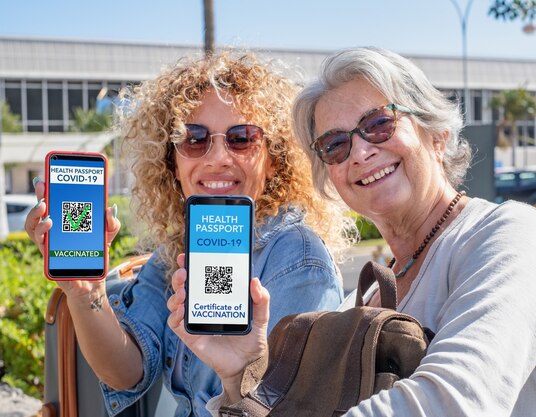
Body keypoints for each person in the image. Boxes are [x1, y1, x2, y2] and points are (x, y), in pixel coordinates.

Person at [174, 47, 536, 416]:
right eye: (335, 144)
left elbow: (452, 401)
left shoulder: (510, 236)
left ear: (437, 135)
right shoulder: (365, 299)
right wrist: (242, 374)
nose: (361, 151)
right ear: (330, 176)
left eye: (378, 124)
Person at [26, 51, 353, 417]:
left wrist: (240, 376)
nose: (216, 157)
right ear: (173, 164)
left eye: (242, 138)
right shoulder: (178, 250)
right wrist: (86, 291)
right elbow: (126, 372)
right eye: (193, 139)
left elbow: (291, 409)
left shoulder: (298, 261)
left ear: (274, 159)